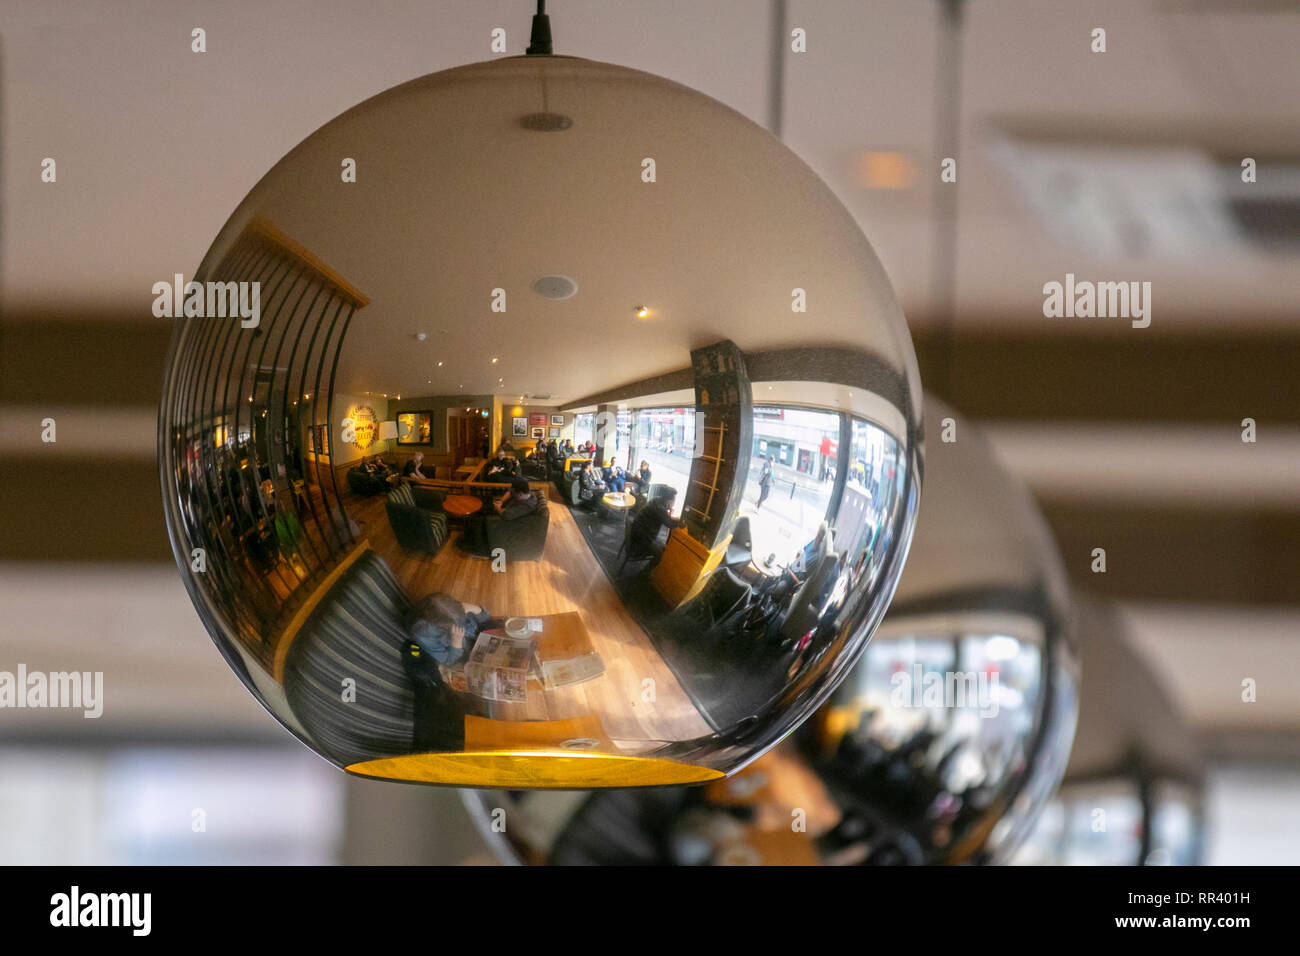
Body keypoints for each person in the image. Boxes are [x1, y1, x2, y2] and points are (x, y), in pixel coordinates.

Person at [628, 485, 683, 559]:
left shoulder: (656, 500)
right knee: (662, 554)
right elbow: (671, 525)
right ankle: (645, 571)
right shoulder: (660, 509)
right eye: (674, 501)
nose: (674, 503)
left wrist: (670, 515)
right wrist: (680, 519)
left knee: (661, 547)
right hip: (640, 541)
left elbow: (664, 517)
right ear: (669, 501)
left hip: (636, 533)